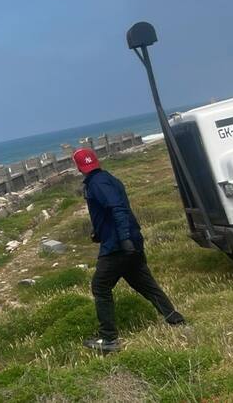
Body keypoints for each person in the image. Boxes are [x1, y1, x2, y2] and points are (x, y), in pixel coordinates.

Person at [75, 147, 184, 352]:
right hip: (131, 240)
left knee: (100, 287)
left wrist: (123, 239)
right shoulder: (108, 179)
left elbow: (117, 208)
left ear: (79, 167)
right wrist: (98, 232)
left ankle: (108, 339)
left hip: (118, 245)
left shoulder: (96, 183)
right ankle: (175, 320)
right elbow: (111, 211)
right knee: (145, 284)